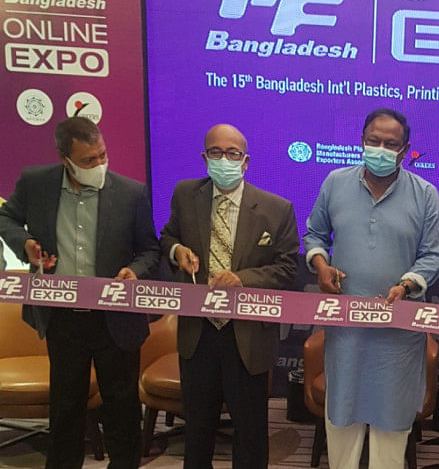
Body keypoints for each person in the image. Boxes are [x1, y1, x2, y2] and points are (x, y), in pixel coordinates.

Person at [0, 117, 160, 468]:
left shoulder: (131, 193)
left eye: (102, 155)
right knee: (66, 410)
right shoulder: (36, 183)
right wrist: (25, 243)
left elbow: (150, 249)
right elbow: (6, 217)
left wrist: (135, 271)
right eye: (88, 160)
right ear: (64, 159)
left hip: (115, 318)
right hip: (62, 319)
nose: (99, 164)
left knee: (122, 410)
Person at [303, 108, 439, 469]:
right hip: (347, 331)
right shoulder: (335, 182)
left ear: (405, 150)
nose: (380, 149)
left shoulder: (425, 194)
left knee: (391, 427)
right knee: (342, 420)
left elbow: (434, 255)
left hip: (397, 335)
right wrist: (320, 264)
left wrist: (407, 284)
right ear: (362, 141)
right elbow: (315, 234)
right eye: (373, 141)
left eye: (390, 144)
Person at [160, 124, 299, 468]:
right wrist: (177, 251)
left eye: (232, 153)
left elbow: (287, 269)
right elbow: (167, 236)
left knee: (250, 432)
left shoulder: (277, 209)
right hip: (198, 333)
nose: (224, 159)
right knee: (197, 430)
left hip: (247, 335)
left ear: (245, 161)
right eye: (216, 152)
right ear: (205, 157)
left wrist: (243, 279)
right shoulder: (185, 194)